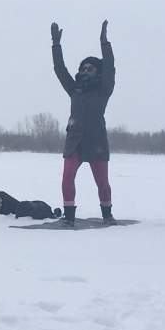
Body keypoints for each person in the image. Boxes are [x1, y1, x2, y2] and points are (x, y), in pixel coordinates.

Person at [51, 19, 115, 225]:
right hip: (75, 141)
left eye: (91, 68)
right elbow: (60, 69)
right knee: (67, 178)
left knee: (102, 183)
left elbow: (110, 68)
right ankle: (69, 216)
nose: (86, 71)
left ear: (98, 71)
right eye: (83, 68)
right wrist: (56, 45)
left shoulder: (103, 90)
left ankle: (107, 215)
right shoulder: (74, 89)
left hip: (96, 141)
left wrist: (104, 42)